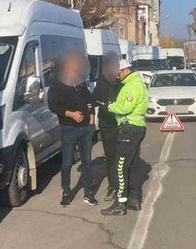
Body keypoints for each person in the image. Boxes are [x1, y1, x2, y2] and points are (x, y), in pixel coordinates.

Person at [47, 48, 98, 207]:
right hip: (69, 128)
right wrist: (71, 114)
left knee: (87, 162)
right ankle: (66, 192)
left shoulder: (79, 81)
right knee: (67, 163)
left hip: (85, 129)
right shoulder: (57, 82)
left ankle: (88, 193)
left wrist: (91, 118)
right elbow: (53, 106)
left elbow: (89, 99)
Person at [100, 59, 148, 216]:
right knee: (133, 165)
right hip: (135, 127)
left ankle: (120, 204)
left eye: (119, 73)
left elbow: (125, 107)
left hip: (130, 129)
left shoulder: (132, 86)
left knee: (120, 167)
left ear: (125, 70)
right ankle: (134, 199)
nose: (117, 76)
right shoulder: (133, 83)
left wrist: (109, 106)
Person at [92, 51, 122, 201]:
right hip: (106, 124)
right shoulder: (102, 81)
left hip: (121, 124)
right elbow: (95, 98)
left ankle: (123, 187)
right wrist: (104, 105)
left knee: (121, 157)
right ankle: (113, 186)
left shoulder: (121, 81)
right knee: (110, 157)